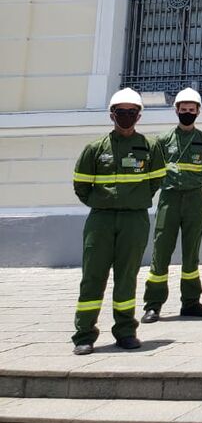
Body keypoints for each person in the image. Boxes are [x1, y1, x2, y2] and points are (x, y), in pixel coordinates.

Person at [71, 88, 166, 355]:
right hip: (100, 220)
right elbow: (81, 185)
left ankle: (125, 331)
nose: (126, 117)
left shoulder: (149, 147)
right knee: (92, 277)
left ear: (139, 116)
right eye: (121, 112)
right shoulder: (95, 149)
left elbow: (156, 180)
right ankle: (84, 335)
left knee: (127, 277)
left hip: (134, 220)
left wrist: (134, 199)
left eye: (131, 113)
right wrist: (103, 202)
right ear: (111, 115)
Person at [141, 88, 202, 324]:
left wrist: (190, 183)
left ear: (198, 112)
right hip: (169, 199)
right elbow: (153, 170)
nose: (187, 113)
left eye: (191, 110)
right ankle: (153, 305)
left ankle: (191, 302)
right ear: (176, 110)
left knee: (191, 252)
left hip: (194, 199)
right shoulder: (163, 140)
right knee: (161, 250)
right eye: (183, 110)